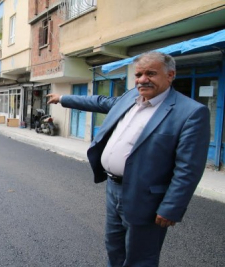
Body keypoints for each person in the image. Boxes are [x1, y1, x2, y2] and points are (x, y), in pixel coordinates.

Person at [47, 51, 210, 267]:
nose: (143, 79)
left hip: (147, 197)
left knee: (140, 257)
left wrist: (172, 206)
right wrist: (63, 98)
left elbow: (188, 168)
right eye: (139, 74)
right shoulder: (130, 98)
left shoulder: (190, 112)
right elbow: (99, 101)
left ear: (170, 75)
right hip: (113, 189)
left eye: (151, 73)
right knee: (114, 247)